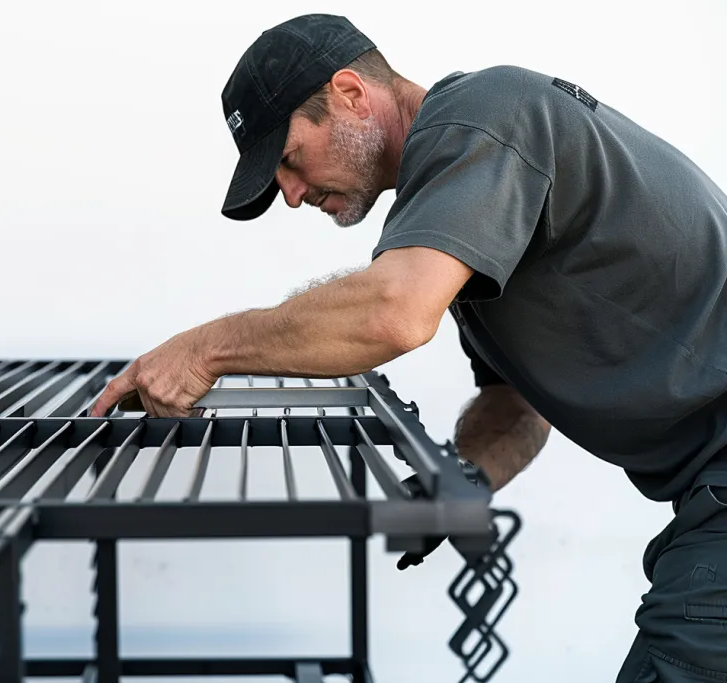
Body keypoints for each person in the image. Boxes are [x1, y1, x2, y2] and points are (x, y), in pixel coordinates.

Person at [88, 13, 727, 680]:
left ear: (350, 94)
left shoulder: (482, 116)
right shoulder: (459, 210)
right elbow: (517, 406)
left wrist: (203, 349)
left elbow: (392, 312)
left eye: (287, 158)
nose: (291, 193)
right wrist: (459, 483)